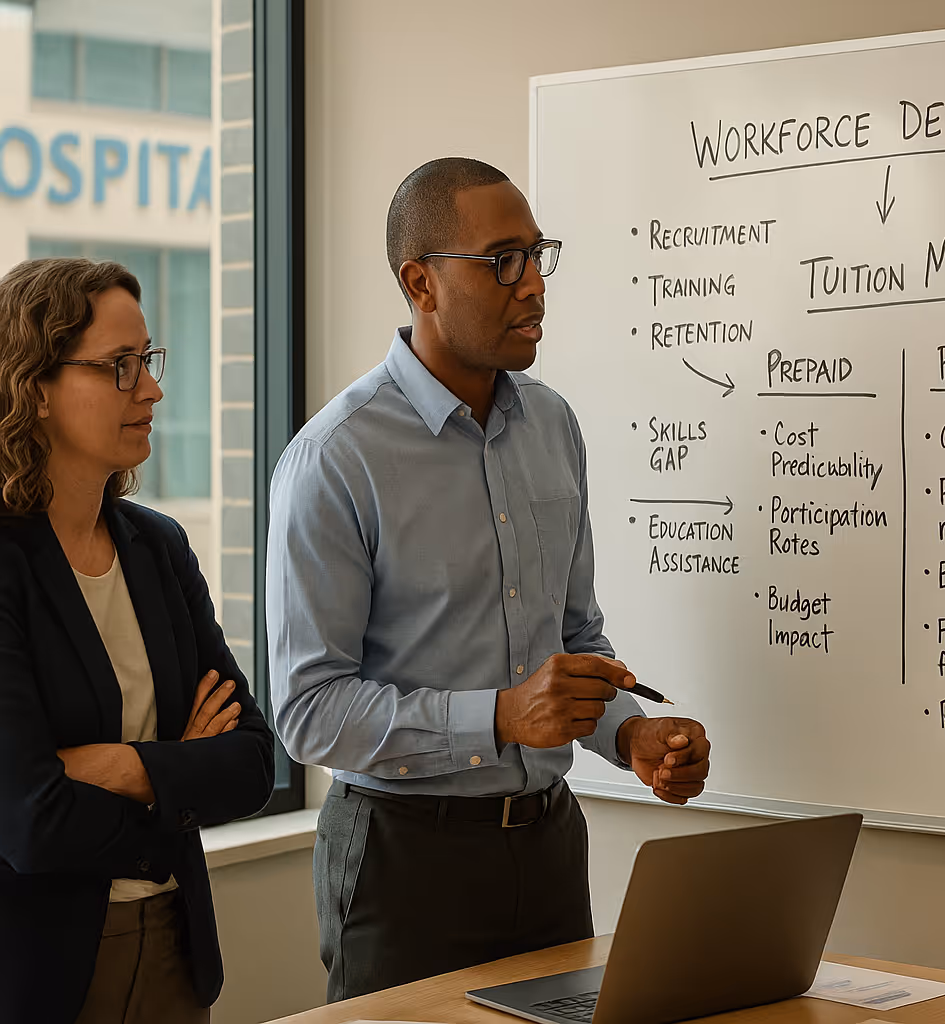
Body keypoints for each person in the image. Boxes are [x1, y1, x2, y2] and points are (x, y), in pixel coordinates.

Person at [267, 157, 714, 1001]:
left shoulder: (552, 424)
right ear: (421, 282)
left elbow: (576, 642)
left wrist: (629, 735)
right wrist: (502, 716)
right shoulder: (335, 459)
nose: (534, 283)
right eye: (503, 260)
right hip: (405, 857)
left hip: (548, 845)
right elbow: (308, 710)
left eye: (539, 254)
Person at [0, 258, 276, 1024]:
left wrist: (124, 767)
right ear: (37, 387)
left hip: (174, 952)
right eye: (120, 367)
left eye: (146, 361)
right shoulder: (8, 568)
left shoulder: (157, 547)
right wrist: (178, 773)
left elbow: (254, 760)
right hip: (44, 973)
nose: (151, 389)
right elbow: (30, 823)